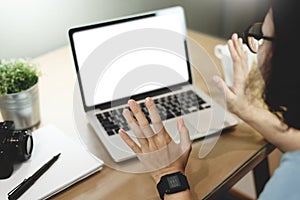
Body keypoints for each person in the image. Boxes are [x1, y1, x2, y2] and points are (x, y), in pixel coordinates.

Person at [119, 0, 300, 199]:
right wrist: (245, 110)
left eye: (263, 39)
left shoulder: (291, 182)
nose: (258, 52)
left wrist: (169, 174)